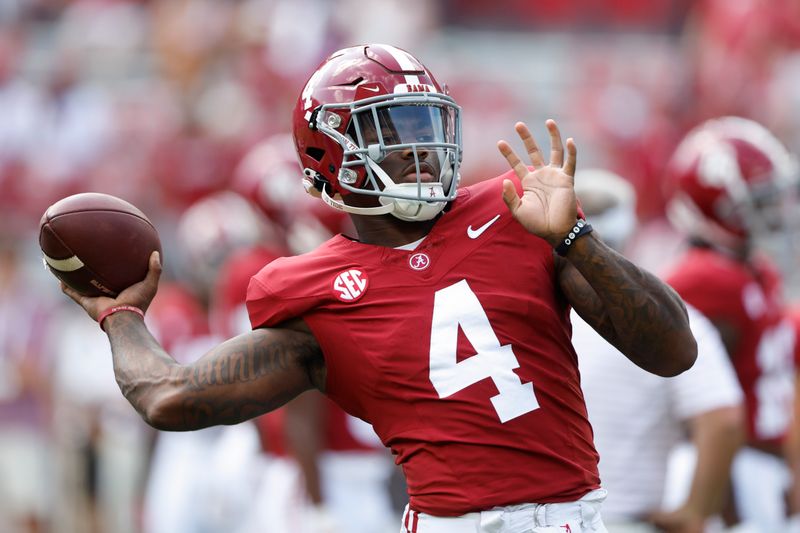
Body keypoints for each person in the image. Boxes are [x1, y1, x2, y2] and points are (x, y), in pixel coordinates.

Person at [57, 43, 696, 533]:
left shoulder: (515, 215)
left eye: (425, 124)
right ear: (326, 155)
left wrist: (577, 238)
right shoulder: (317, 292)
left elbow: (673, 351)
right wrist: (121, 316)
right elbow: (171, 398)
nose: (420, 147)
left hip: (572, 518)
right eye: (390, 130)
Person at [572, 169, 745, 533]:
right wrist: (694, 511)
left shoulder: (518, 311)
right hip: (624, 519)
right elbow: (724, 419)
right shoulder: (671, 321)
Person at [663, 116, 800, 532]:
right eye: (758, 203)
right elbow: (704, 403)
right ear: (715, 208)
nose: (776, 213)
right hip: (735, 473)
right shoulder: (704, 280)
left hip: (766, 467)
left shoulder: (753, 270)